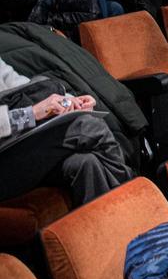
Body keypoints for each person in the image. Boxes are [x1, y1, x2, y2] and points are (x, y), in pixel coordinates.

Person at [0, 56, 131, 206]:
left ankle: (105, 226)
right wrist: (32, 113)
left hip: (15, 146)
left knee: (86, 163)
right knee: (87, 126)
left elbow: (23, 87)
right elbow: (32, 109)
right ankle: (133, 206)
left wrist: (71, 102)